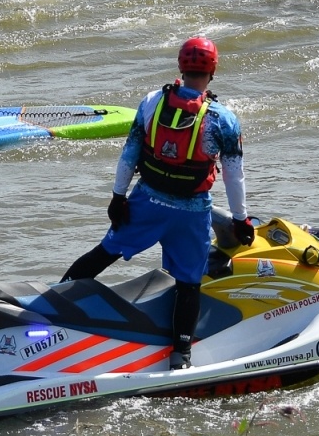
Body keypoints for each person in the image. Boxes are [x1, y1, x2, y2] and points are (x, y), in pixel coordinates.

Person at [60, 37, 252, 370]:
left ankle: (51, 305)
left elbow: (130, 153)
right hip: (191, 213)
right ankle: (180, 355)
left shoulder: (152, 102)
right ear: (214, 69)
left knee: (105, 252)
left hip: (147, 201)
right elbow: (234, 177)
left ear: (180, 66)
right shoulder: (224, 119)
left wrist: (117, 197)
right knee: (189, 283)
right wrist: (240, 220)